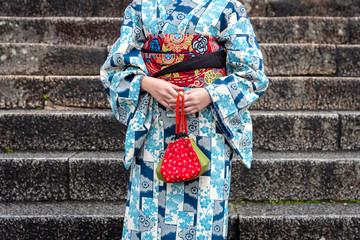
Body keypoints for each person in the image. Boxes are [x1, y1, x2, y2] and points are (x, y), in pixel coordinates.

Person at [100, 0, 269, 239]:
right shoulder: (141, 8)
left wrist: (210, 93)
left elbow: (252, 74)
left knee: (203, 216)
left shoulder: (227, 8)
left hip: (208, 127)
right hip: (154, 127)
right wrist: (148, 84)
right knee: (150, 213)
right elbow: (115, 70)